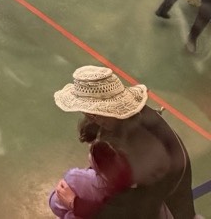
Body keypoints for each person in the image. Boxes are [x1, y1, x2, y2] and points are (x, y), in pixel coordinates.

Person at [53, 65, 195, 219]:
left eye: (94, 114)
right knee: (60, 201)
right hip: (134, 195)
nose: (91, 118)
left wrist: (75, 204)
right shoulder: (121, 119)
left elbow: (138, 211)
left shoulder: (145, 150)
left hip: (162, 209)